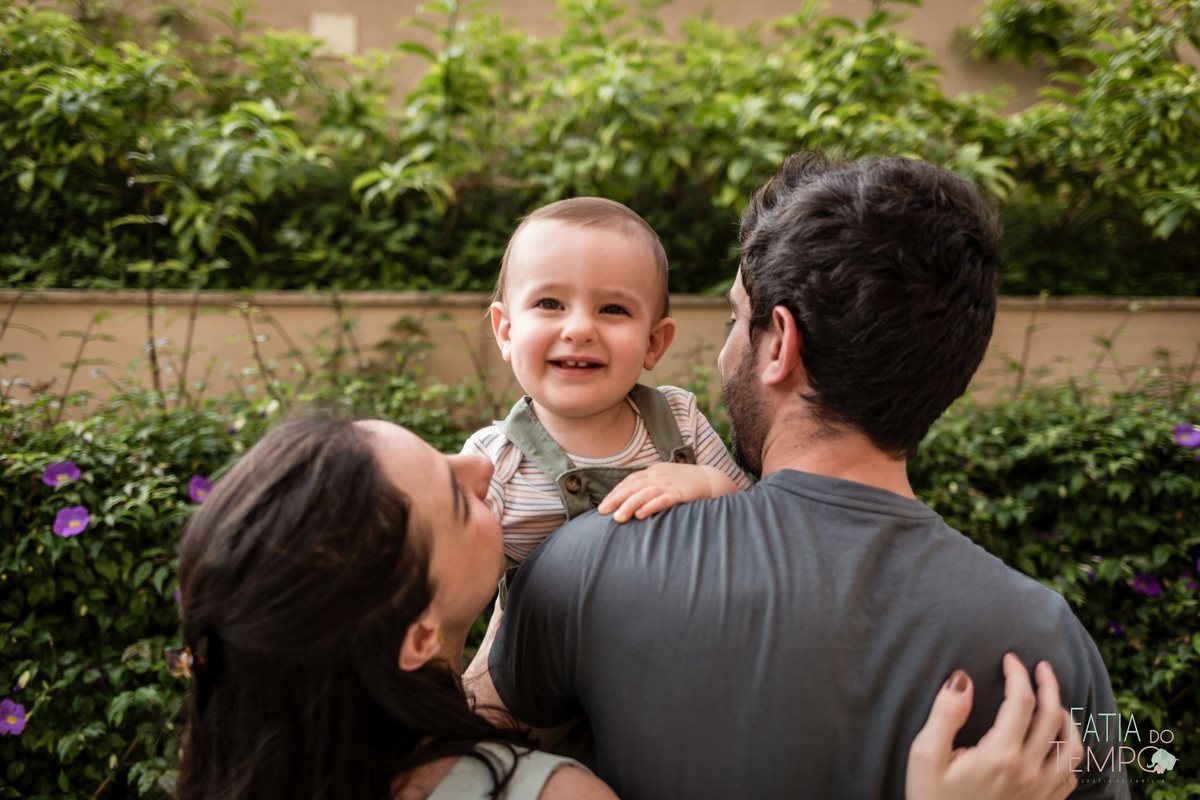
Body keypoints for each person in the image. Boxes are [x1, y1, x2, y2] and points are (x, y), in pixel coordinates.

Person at [473, 153, 1130, 799]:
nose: (727, 347)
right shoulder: (1051, 639)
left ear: (779, 344)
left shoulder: (587, 560)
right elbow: (1125, 763)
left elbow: (445, 767)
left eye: (736, 318)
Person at [171, 415, 1082, 800]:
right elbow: (1137, 755)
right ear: (414, 636)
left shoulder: (578, 575)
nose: (482, 461)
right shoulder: (1044, 631)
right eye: (454, 497)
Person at [462, 197, 752, 568]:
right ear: (506, 331)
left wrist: (711, 486)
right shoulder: (493, 464)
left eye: (613, 309)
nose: (580, 329)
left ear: (653, 343)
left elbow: (752, 525)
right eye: (550, 303)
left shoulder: (680, 423)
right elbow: (448, 585)